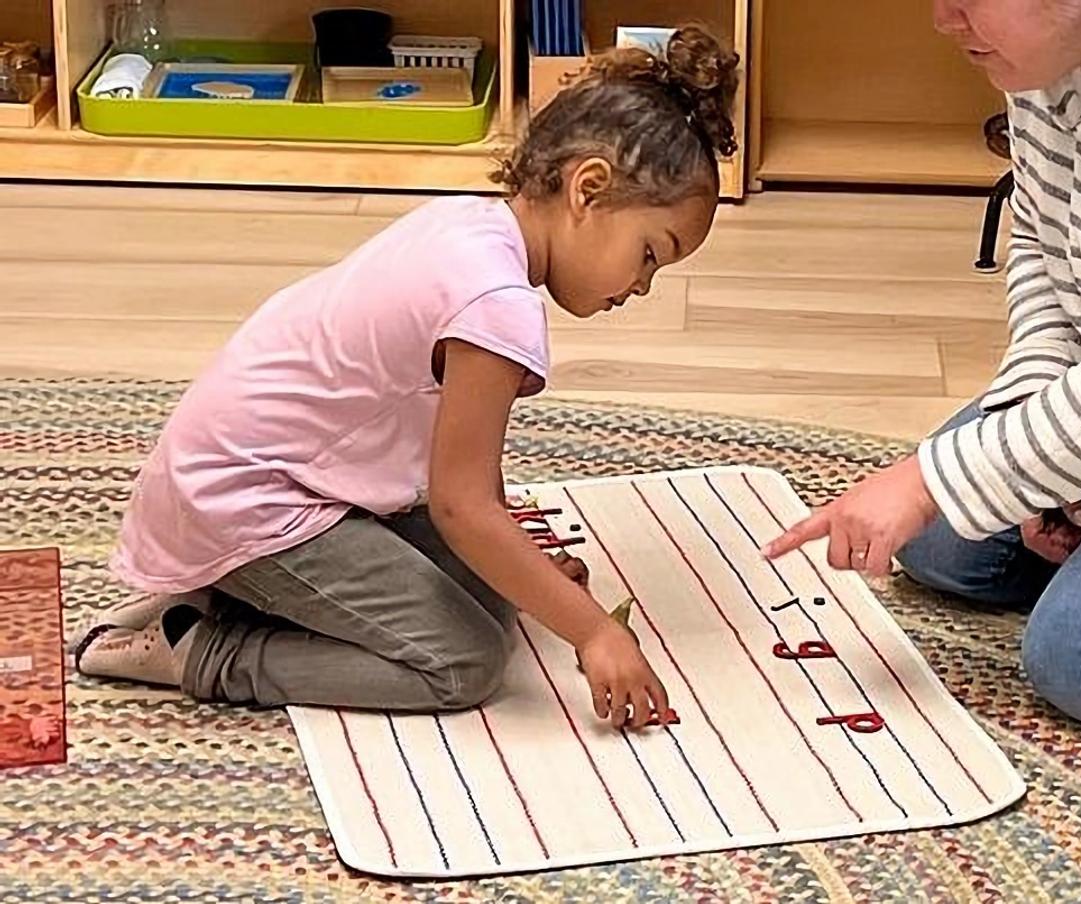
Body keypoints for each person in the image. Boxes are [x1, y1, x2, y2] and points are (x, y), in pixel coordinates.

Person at [74, 27, 740, 731]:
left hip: (259, 473)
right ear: (588, 190)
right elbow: (462, 509)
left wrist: (530, 580)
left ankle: (229, 592)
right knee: (464, 661)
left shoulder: (471, 227)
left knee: (495, 595)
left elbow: (468, 480)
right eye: (649, 255)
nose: (641, 286)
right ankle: (199, 649)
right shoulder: (495, 305)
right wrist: (595, 632)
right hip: (244, 501)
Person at [766, 1, 1081, 729]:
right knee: (940, 544)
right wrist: (1030, 426)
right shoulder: (1045, 69)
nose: (943, 18)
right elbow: (1045, 249)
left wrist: (934, 480)